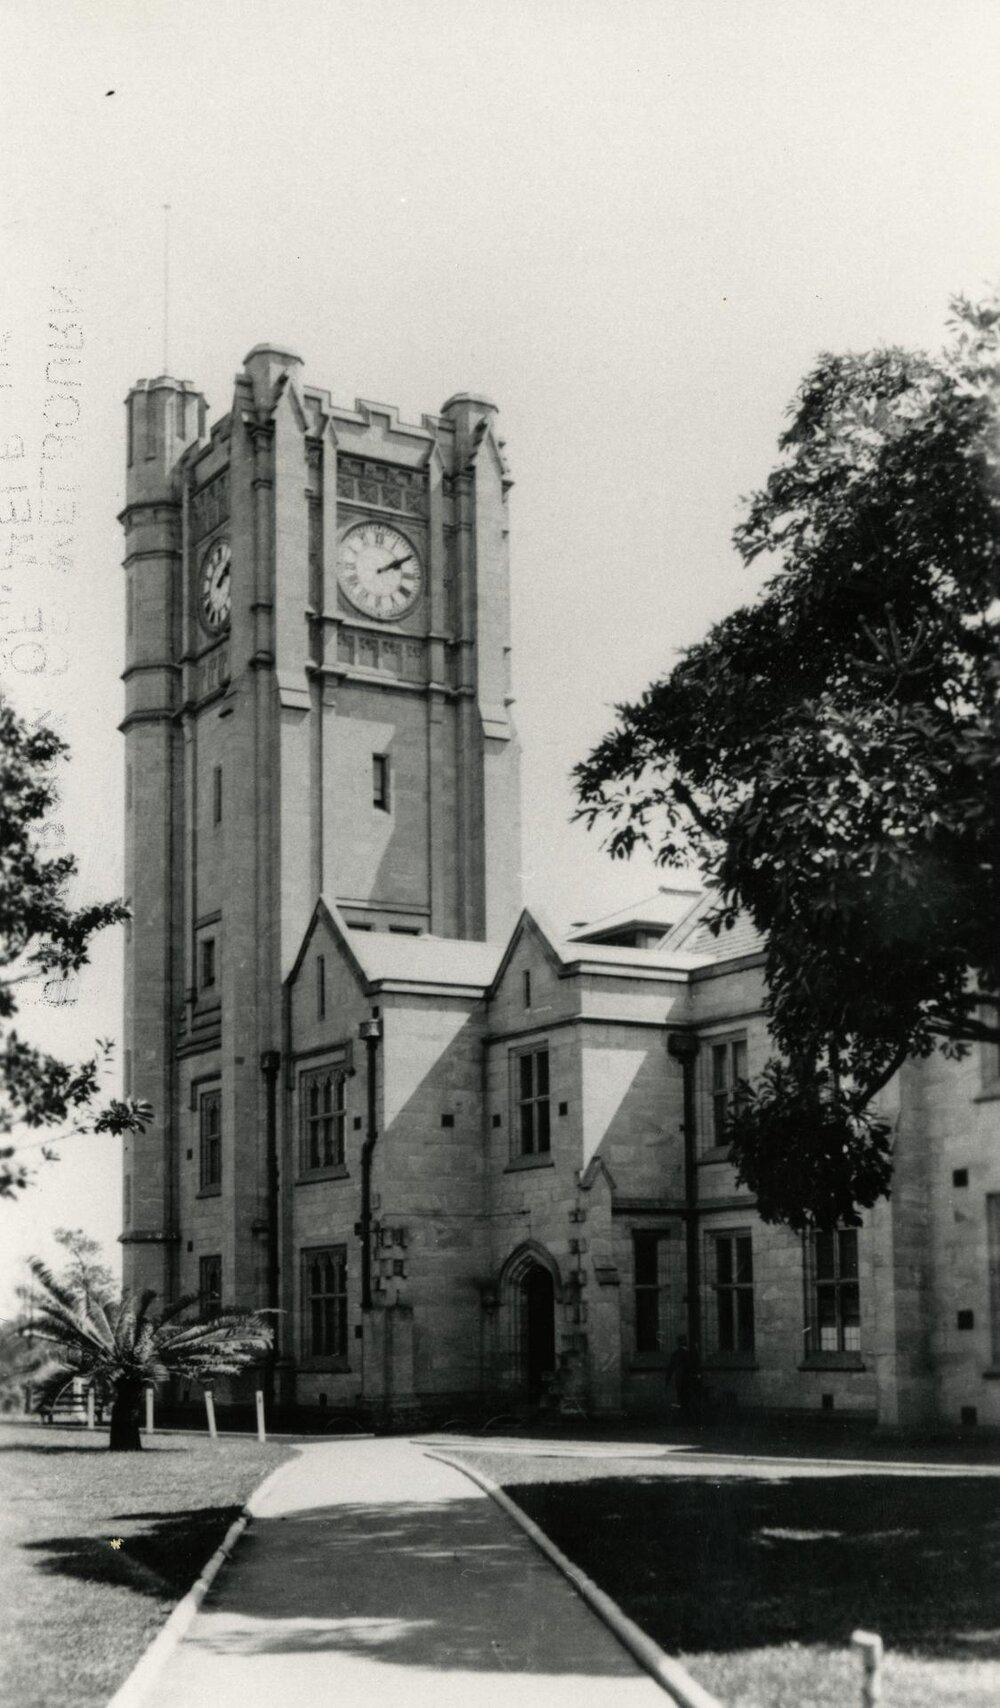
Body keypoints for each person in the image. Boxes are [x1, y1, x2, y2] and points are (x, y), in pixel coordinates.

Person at [666, 1333, 702, 1423]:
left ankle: (683, 1418)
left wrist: (667, 1380)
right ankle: (689, 1418)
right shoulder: (689, 1354)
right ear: (685, 1343)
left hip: (679, 1381)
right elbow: (694, 1366)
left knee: (681, 1399)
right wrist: (697, 1376)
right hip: (689, 1380)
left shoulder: (675, 1354)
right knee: (689, 1399)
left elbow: (670, 1368)